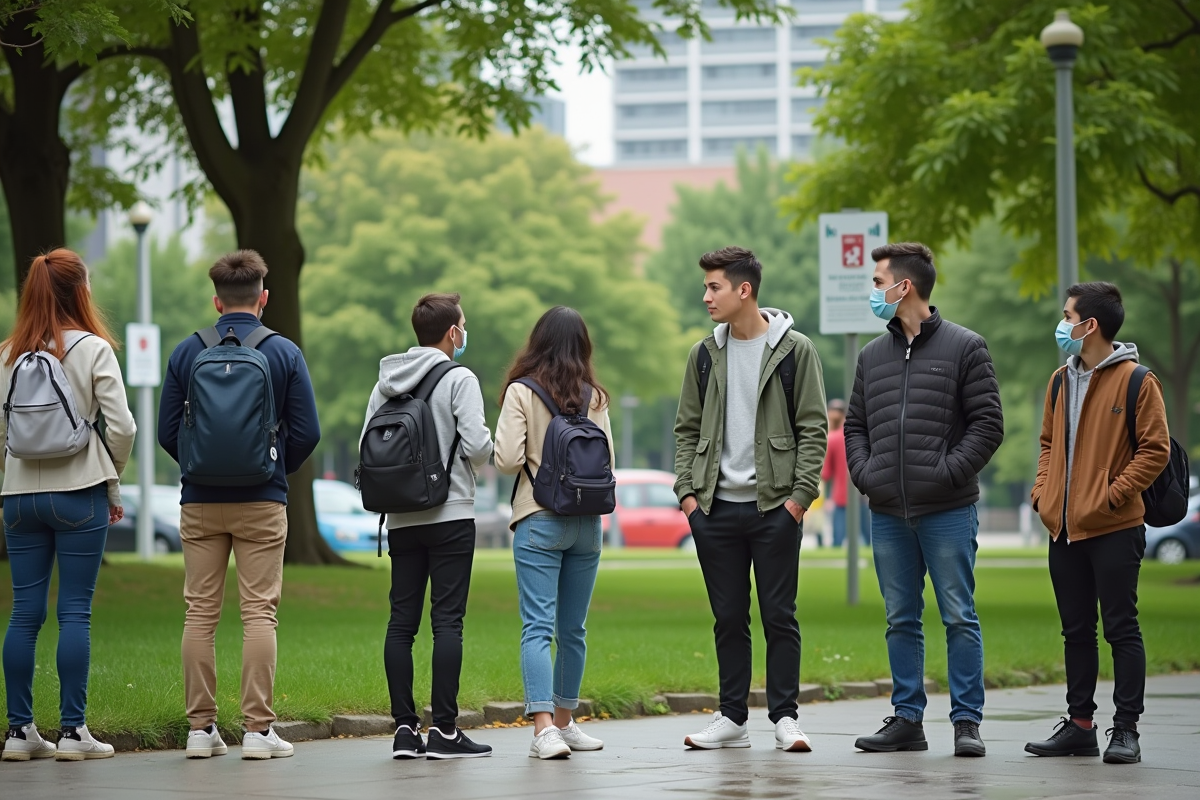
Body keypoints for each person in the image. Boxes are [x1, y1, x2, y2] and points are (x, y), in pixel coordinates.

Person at [159, 250, 320, 760]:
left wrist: (199, 464)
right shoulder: (284, 353)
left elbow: (167, 432)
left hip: (200, 501)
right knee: (259, 615)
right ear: (264, 298)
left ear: (216, 300)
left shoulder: (187, 352)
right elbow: (309, 432)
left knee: (199, 614)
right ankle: (256, 730)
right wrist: (271, 466)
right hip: (262, 500)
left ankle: (200, 730)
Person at [845, 242, 1003, 758]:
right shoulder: (872, 356)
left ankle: (966, 723)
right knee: (901, 618)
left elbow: (987, 425)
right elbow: (854, 427)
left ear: (903, 287)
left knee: (959, 614)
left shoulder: (966, 347)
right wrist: (869, 476)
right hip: (889, 512)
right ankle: (908, 719)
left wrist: (945, 474)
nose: (873, 291)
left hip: (949, 511)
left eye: (876, 282)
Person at [673, 246, 828, 752]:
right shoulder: (703, 354)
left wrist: (799, 500)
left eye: (714, 287)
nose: (706, 297)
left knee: (779, 614)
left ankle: (785, 719)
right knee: (728, 617)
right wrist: (688, 497)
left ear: (744, 290)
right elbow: (686, 429)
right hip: (714, 510)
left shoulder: (795, 350)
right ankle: (732, 717)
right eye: (706, 287)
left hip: (774, 507)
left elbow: (813, 428)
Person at [1025, 282, 1169, 765]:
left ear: (1090, 325)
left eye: (1068, 315)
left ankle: (1125, 729)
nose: (1061, 323)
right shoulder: (1059, 380)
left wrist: (1114, 494)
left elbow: (1155, 450)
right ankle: (1080, 725)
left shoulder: (1137, 381)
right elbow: (1047, 444)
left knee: (1121, 629)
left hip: (1114, 527)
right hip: (1062, 529)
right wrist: (1043, 493)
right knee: (1076, 631)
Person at [1, 249, 136, 762]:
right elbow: (122, 427)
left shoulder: (6, 353)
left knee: (23, 613)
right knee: (74, 610)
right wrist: (110, 473)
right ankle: (73, 733)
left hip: (18, 499)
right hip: (79, 492)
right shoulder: (94, 348)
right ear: (81, 290)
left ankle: (18, 733)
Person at [360, 293, 494, 760]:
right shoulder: (460, 378)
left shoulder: (386, 381)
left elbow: (366, 444)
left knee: (401, 623)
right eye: (463, 325)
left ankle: (403, 730)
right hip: (451, 511)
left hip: (399, 517)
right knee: (447, 622)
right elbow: (478, 446)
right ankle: (445, 732)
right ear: (452, 333)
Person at [494, 306, 614, 760]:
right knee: (574, 629)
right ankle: (566, 723)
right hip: (587, 523)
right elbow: (607, 464)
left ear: (537, 342)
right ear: (583, 345)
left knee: (537, 628)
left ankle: (544, 729)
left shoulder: (521, 393)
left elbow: (506, 459)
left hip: (539, 517)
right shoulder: (595, 397)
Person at [822, 399, 848, 548]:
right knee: (868, 540)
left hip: (839, 497)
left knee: (838, 540)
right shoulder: (856, 435)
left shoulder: (832, 438)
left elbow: (825, 474)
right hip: (862, 495)